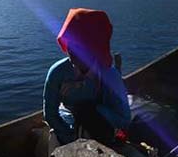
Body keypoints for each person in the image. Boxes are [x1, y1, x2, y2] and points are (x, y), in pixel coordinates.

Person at [43, 8, 131, 147]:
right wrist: (71, 139)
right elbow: (50, 114)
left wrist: (93, 110)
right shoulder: (57, 73)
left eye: (80, 47)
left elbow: (123, 119)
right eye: (70, 44)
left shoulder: (109, 76)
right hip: (69, 131)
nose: (71, 51)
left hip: (100, 130)